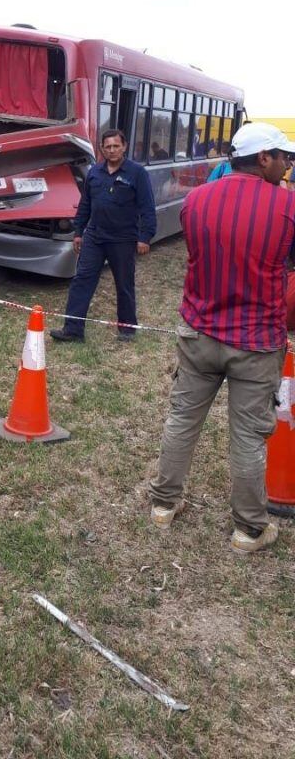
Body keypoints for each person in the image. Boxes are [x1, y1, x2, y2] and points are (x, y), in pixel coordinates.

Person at [149, 122, 295, 555]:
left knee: (182, 420)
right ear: (263, 158)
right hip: (256, 341)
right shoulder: (287, 207)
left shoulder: (196, 200)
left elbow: (197, 257)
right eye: (283, 156)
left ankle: (163, 505)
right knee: (248, 437)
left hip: (199, 331)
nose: (288, 164)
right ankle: (248, 530)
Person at [50, 129, 156, 343]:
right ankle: (73, 329)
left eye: (116, 146)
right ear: (102, 149)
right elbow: (85, 204)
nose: (112, 150)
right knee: (81, 281)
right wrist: (78, 231)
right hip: (95, 237)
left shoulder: (137, 173)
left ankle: (127, 329)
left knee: (124, 284)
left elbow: (147, 207)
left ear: (124, 146)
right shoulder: (95, 173)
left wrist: (145, 237)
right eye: (107, 147)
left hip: (123, 239)